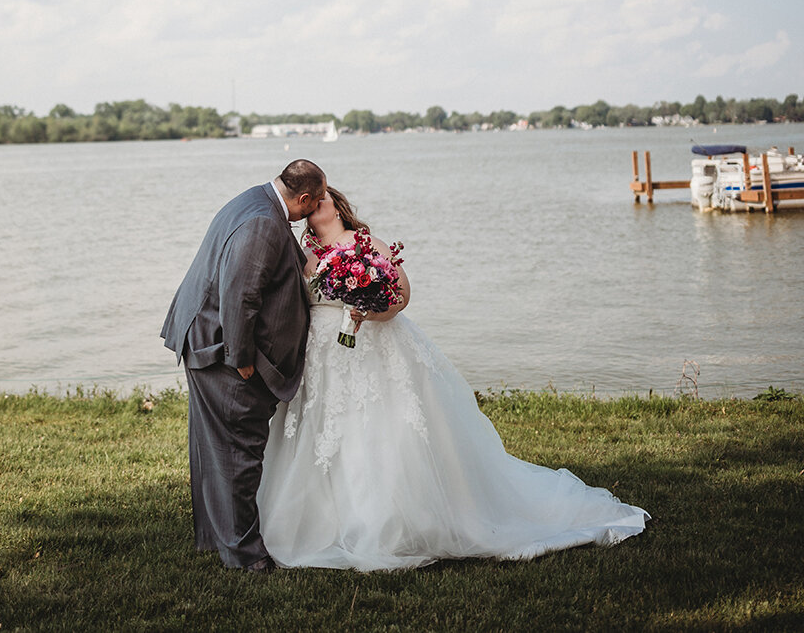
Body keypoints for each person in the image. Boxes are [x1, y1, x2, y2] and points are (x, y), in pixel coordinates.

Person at [257, 186, 649, 571]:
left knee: (379, 431)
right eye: (310, 203)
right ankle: (327, 521)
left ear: (337, 208)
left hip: (373, 349)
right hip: (323, 359)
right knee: (326, 435)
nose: (313, 205)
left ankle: (392, 521)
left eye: (321, 199)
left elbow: (400, 296)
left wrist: (367, 311)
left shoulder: (365, 243)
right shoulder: (303, 255)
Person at [161, 159, 326, 572]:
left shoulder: (254, 199)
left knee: (217, 448)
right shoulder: (264, 224)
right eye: (318, 200)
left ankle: (219, 540)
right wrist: (242, 359)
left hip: (205, 338)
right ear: (303, 198)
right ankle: (245, 558)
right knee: (239, 452)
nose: (320, 207)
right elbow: (241, 294)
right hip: (222, 353)